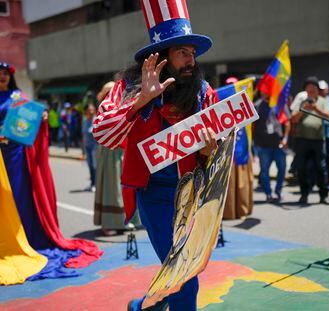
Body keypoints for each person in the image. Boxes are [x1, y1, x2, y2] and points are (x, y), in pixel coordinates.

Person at [92, 1, 218, 310]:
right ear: (162, 56)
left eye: (192, 53)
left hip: (193, 195)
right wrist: (140, 101)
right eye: (182, 53)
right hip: (154, 195)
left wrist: (210, 151)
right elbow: (102, 134)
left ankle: (146, 306)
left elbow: (221, 148)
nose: (191, 60)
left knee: (179, 269)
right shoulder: (128, 87)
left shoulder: (204, 92)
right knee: (185, 274)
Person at [0, 62, 102, 284]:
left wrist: (41, 118)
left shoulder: (17, 97)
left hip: (16, 156)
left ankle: (25, 240)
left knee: (19, 198)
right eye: (0, 74)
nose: (3, 77)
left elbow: (27, 121)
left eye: (5, 74)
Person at [94, 82, 141, 235]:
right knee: (111, 186)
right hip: (110, 151)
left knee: (125, 185)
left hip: (122, 150)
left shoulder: (121, 106)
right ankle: (108, 223)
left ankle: (126, 220)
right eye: (108, 92)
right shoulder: (104, 109)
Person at [291, 77, 329, 205]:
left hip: (318, 140)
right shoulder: (301, 101)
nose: (311, 90)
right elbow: (294, 119)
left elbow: (328, 116)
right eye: (309, 87)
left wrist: (315, 108)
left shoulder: (323, 101)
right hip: (302, 140)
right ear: (306, 90)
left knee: (321, 168)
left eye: (314, 87)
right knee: (301, 168)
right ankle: (304, 194)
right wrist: (304, 109)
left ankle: (324, 195)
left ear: (318, 90)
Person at [223, 77, 254, 219]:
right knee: (228, 183)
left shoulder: (246, 105)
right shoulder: (221, 106)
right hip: (228, 151)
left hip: (242, 149)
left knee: (243, 182)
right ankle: (229, 212)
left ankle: (242, 210)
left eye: (234, 86)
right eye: (229, 86)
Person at [253, 91, 290, 202]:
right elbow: (252, 126)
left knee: (282, 168)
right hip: (263, 145)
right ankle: (268, 194)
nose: (267, 93)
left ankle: (278, 191)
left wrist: (285, 138)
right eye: (264, 90)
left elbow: (287, 122)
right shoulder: (257, 105)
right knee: (264, 171)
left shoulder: (280, 104)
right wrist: (254, 143)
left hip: (278, 144)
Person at [82, 103, 98, 192]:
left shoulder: (96, 120)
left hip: (95, 147)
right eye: (89, 110)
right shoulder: (85, 121)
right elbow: (83, 135)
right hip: (87, 147)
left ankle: (95, 184)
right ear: (86, 112)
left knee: (95, 166)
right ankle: (92, 183)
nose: (91, 111)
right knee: (90, 166)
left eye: (92, 109)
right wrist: (82, 150)